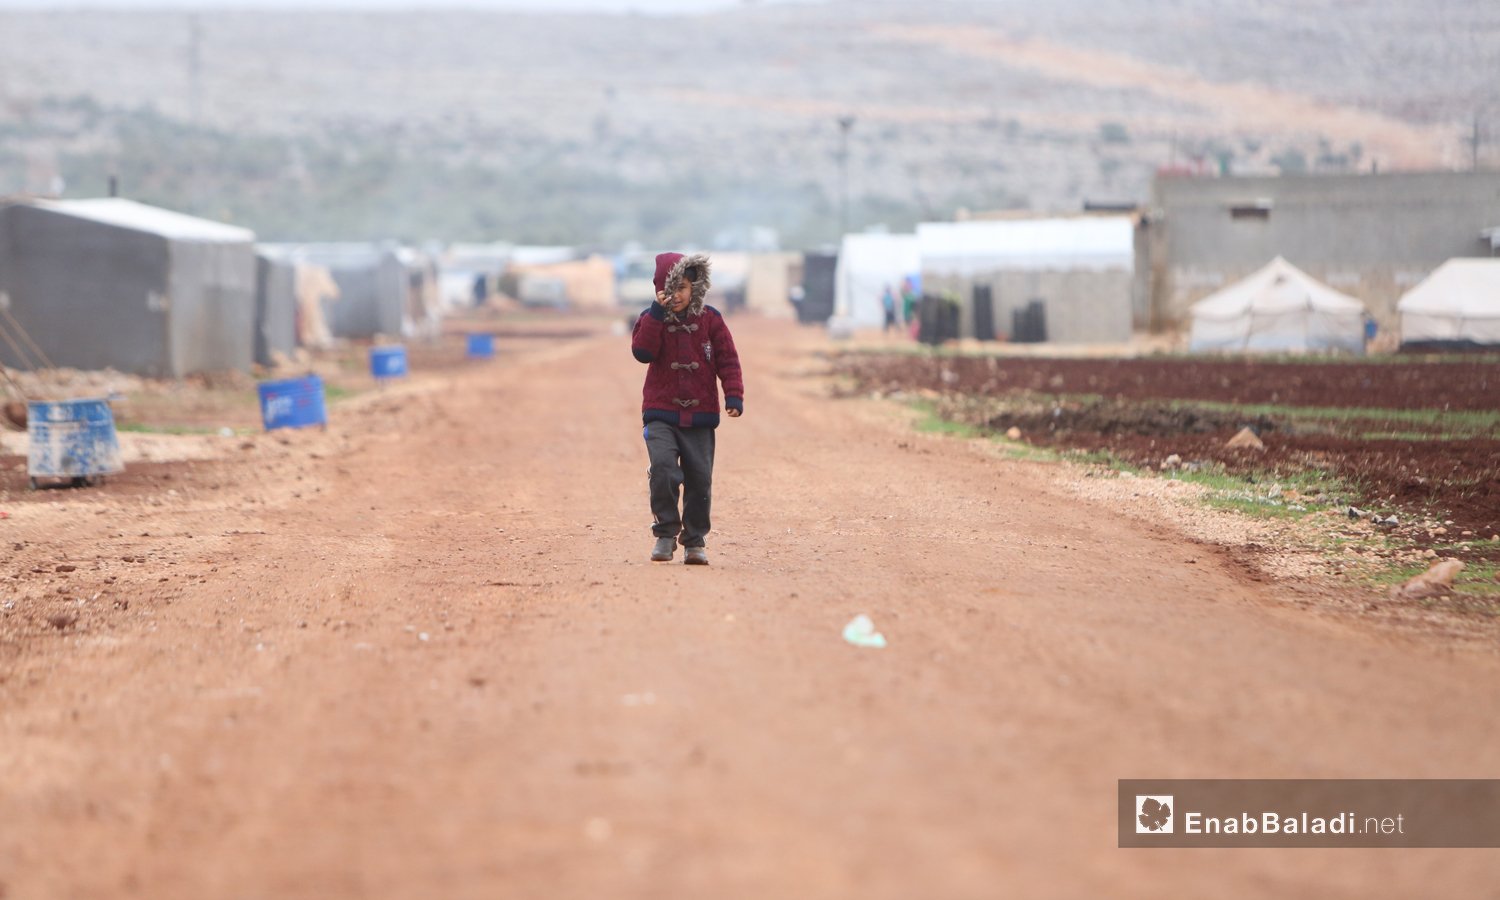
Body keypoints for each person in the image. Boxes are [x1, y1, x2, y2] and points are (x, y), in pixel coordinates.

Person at [630, 252, 744, 565]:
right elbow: (642, 351)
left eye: (683, 287)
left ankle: (694, 541)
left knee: (700, 479)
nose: (677, 295)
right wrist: (657, 312)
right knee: (664, 469)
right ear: (658, 290)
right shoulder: (650, 319)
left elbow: (728, 359)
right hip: (660, 413)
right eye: (670, 289)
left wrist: (733, 395)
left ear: (694, 286)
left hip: (701, 416)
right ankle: (665, 533)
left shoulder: (711, 320)